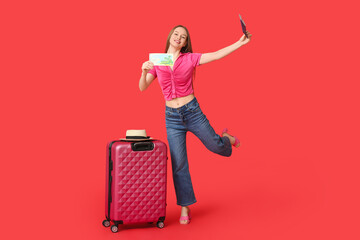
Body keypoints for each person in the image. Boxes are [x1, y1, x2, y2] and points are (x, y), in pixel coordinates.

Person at [139, 25, 252, 224]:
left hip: (192, 112)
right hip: (172, 118)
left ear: (184, 43)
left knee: (215, 146)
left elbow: (216, 55)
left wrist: (239, 43)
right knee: (179, 164)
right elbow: (142, 87)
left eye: (183, 37)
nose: (178, 38)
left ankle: (226, 138)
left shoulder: (189, 58)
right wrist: (143, 71)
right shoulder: (159, 59)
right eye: (176, 34)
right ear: (170, 36)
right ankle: (185, 207)